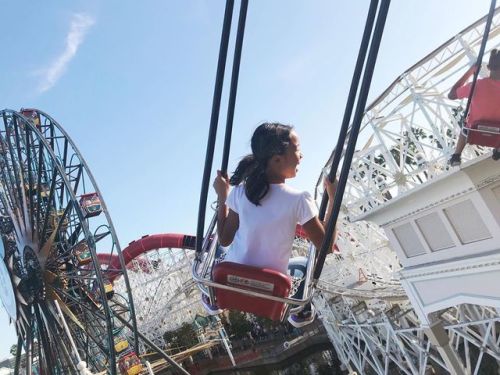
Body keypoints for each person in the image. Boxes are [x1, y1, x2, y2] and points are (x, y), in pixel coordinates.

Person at [204, 122, 337, 327]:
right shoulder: (299, 200)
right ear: (276, 160)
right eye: (298, 150)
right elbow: (326, 246)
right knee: (301, 262)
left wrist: (223, 196)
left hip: (230, 281)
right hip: (273, 293)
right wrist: (333, 201)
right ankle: (299, 312)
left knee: (219, 253)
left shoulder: (240, 193)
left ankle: (214, 299)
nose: (302, 156)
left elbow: (224, 237)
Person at [448, 49, 500, 166]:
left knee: (465, 125)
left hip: (474, 132)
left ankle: (456, 155)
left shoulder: (477, 85)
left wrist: (471, 71)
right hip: (498, 134)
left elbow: (451, 95)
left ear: (489, 67)